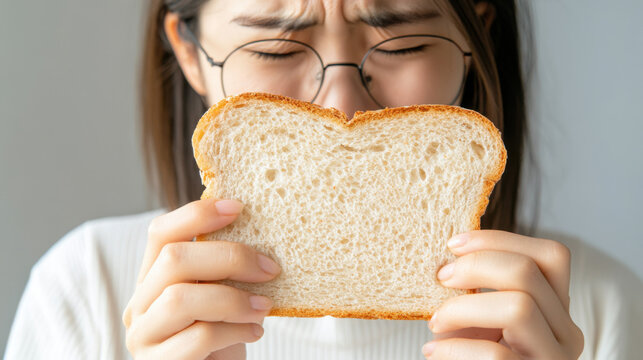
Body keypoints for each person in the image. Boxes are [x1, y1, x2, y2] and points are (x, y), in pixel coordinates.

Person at [5, 0, 643, 359]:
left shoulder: (595, 310)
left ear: (476, 28)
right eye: (276, 50)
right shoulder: (86, 289)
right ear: (190, 53)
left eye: (403, 44)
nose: (341, 107)